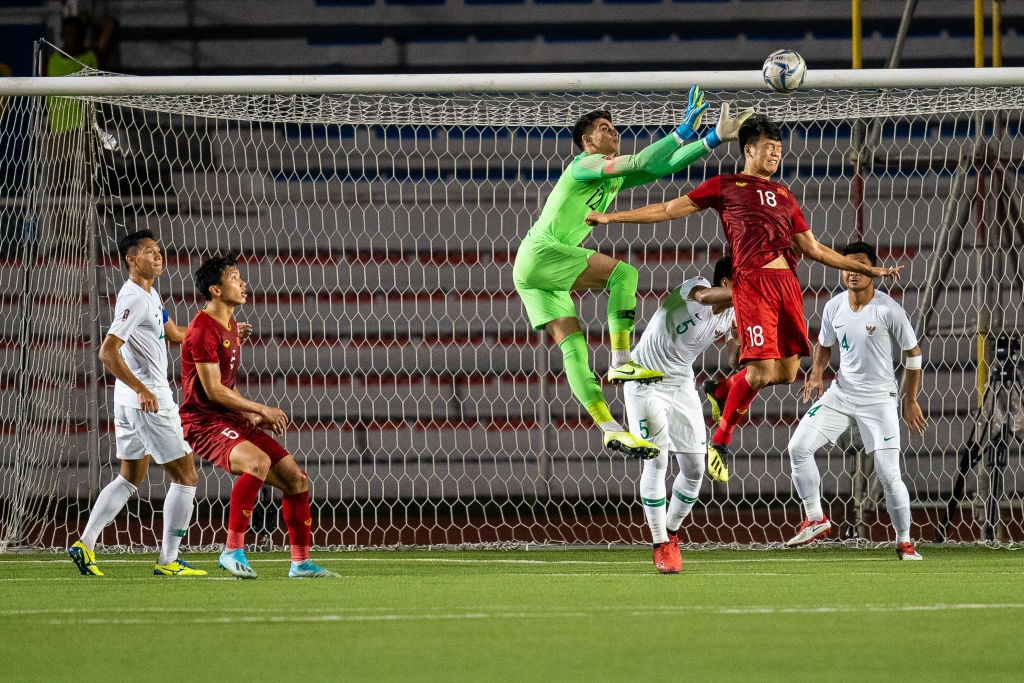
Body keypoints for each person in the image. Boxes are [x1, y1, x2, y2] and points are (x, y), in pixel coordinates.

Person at [586, 114, 902, 482]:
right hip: (753, 284)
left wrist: (865, 269)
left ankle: (722, 390)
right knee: (761, 372)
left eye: (779, 149)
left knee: (787, 373)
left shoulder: (784, 195)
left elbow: (813, 248)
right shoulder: (725, 185)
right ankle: (720, 439)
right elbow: (669, 209)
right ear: (748, 150)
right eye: (769, 147)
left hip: (788, 285)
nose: (776, 154)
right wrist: (613, 218)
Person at [512, 85, 753, 460]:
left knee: (573, 350)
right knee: (623, 275)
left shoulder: (609, 176)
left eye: (613, 126)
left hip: (530, 272)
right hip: (542, 252)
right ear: (587, 141)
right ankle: (621, 360)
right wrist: (682, 132)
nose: (613, 131)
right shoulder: (584, 165)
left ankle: (609, 429)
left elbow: (661, 166)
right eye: (604, 127)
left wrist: (712, 139)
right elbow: (642, 159)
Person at [179, 254, 337, 579]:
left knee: (296, 480)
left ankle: (300, 563)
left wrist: (248, 417)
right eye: (234, 278)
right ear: (216, 290)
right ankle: (231, 550)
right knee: (257, 463)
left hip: (230, 419)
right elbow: (213, 390)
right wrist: (260, 409)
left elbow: (226, 386)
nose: (242, 282)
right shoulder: (201, 330)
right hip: (204, 423)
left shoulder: (230, 325)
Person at [68, 230, 206, 577]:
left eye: (158, 250)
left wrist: (215, 330)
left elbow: (174, 333)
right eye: (148, 251)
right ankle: (169, 561)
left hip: (129, 402)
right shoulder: (135, 298)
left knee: (130, 477)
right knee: (186, 475)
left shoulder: (149, 294)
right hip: (148, 400)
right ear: (131, 259)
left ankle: (85, 543)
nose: (158, 256)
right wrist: (142, 389)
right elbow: (107, 352)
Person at [784, 241, 927, 560]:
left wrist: (910, 400)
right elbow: (824, 344)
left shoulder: (888, 308)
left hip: (879, 400)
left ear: (871, 270)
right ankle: (816, 518)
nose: (853, 272)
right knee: (798, 448)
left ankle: (904, 541)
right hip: (842, 394)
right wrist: (817, 373)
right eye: (847, 265)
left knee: (888, 474)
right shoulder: (833, 306)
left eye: (861, 265)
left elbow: (914, 354)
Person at [624, 257, 738, 573]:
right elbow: (704, 296)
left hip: (681, 382)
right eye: (745, 280)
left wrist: (746, 336)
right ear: (726, 283)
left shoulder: (732, 313)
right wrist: (756, 291)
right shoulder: (696, 287)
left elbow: (734, 357)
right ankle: (660, 543)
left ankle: (672, 532)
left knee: (695, 469)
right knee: (656, 460)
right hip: (644, 380)